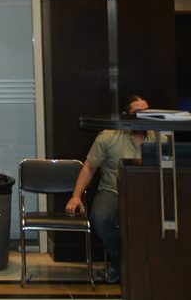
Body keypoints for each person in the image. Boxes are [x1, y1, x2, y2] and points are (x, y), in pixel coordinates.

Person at [64, 95, 155, 284]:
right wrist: (76, 196)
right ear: (125, 115)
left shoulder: (159, 136)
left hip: (148, 193)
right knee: (100, 217)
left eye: (147, 112)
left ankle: (147, 266)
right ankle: (121, 260)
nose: (144, 116)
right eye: (138, 112)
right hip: (113, 190)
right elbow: (89, 168)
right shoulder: (108, 136)